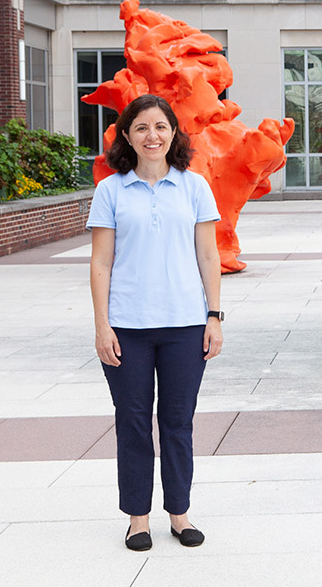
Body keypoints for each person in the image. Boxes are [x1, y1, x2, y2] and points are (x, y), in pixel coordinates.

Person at [87, 94, 223, 551]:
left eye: (161, 127)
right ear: (127, 135)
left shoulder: (194, 187)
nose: (152, 136)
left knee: (178, 421)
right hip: (127, 326)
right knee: (132, 422)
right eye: (142, 127)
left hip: (185, 325)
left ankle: (179, 514)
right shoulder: (110, 190)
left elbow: (208, 255)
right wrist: (102, 325)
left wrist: (214, 316)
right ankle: (138, 518)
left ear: (173, 133)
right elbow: (101, 263)